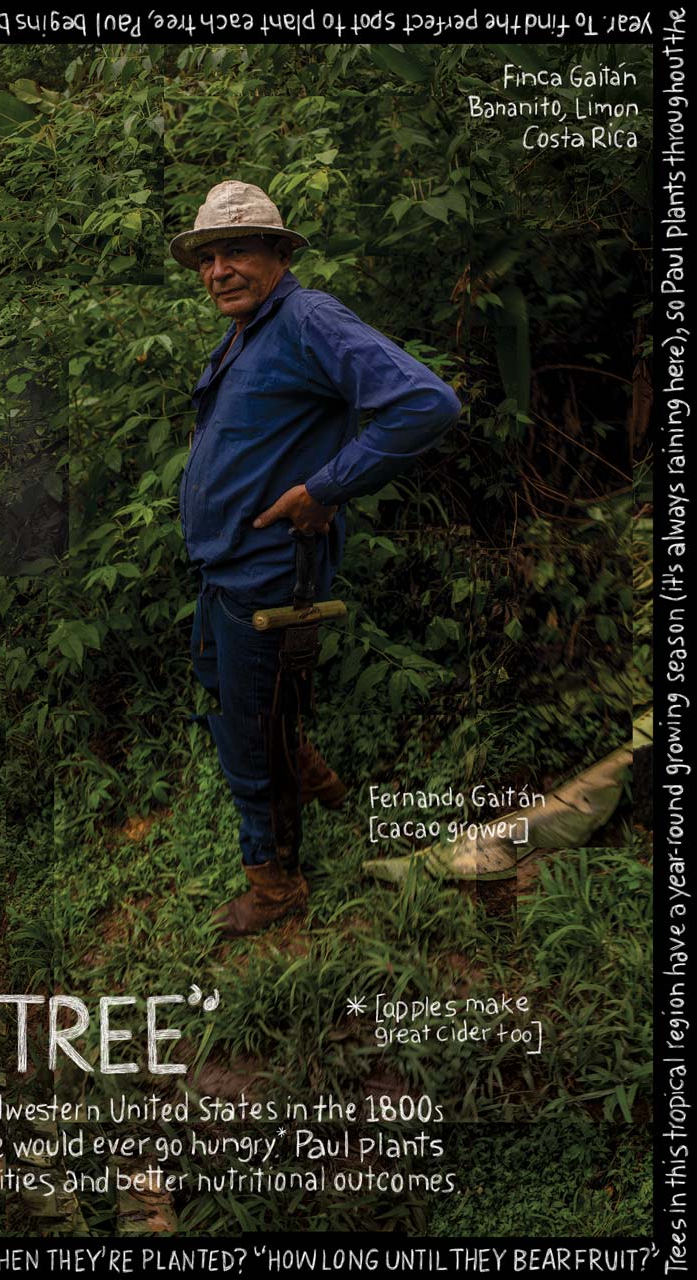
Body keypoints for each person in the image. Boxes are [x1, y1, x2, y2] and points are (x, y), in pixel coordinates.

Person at [170, 180, 461, 936]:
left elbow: (425, 403)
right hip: (225, 571)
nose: (218, 271)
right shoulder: (246, 331)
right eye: (207, 259)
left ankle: (275, 887)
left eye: (236, 251)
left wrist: (325, 488)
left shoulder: (307, 318)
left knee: (252, 740)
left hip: (268, 575)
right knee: (231, 695)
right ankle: (311, 775)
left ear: (278, 253)